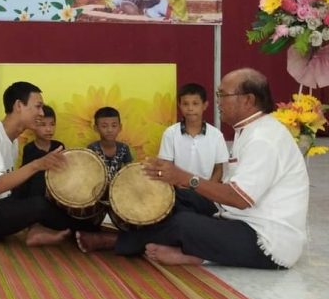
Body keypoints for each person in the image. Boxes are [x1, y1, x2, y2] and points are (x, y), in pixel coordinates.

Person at [77, 68, 309, 269]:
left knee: (183, 223)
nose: (218, 101)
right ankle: (192, 252)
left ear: (248, 100)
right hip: (234, 218)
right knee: (174, 199)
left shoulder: (263, 139)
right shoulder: (248, 130)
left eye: (223, 95)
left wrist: (186, 178)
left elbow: (239, 199)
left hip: (266, 240)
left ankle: (114, 242)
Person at [0, 82, 96, 245]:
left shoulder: (12, 140)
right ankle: (91, 232)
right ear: (19, 105)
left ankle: (72, 229)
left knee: (41, 183)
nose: (41, 113)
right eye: (38, 106)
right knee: (39, 203)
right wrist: (37, 164)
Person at [159, 83, 229, 182]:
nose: (190, 108)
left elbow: (218, 170)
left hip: (208, 189)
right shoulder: (170, 133)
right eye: (185, 104)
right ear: (179, 105)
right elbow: (167, 166)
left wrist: (208, 188)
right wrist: (179, 186)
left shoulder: (216, 135)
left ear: (204, 105)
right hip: (178, 188)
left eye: (195, 103)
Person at [14, 105, 65, 199]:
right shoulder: (29, 148)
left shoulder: (58, 146)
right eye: (43, 125)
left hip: (56, 192)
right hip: (34, 195)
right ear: (34, 126)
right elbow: (27, 179)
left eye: (52, 124)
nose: (49, 129)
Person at [87, 107, 133, 180]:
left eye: (114, 126)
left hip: (118, 185)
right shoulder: (92, 148)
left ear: (120, 127)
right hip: (98, 185)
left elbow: (130, 170)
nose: (110, 130)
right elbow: (88, 173)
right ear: (96, 128)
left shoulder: (124, 148)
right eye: (104, 126)